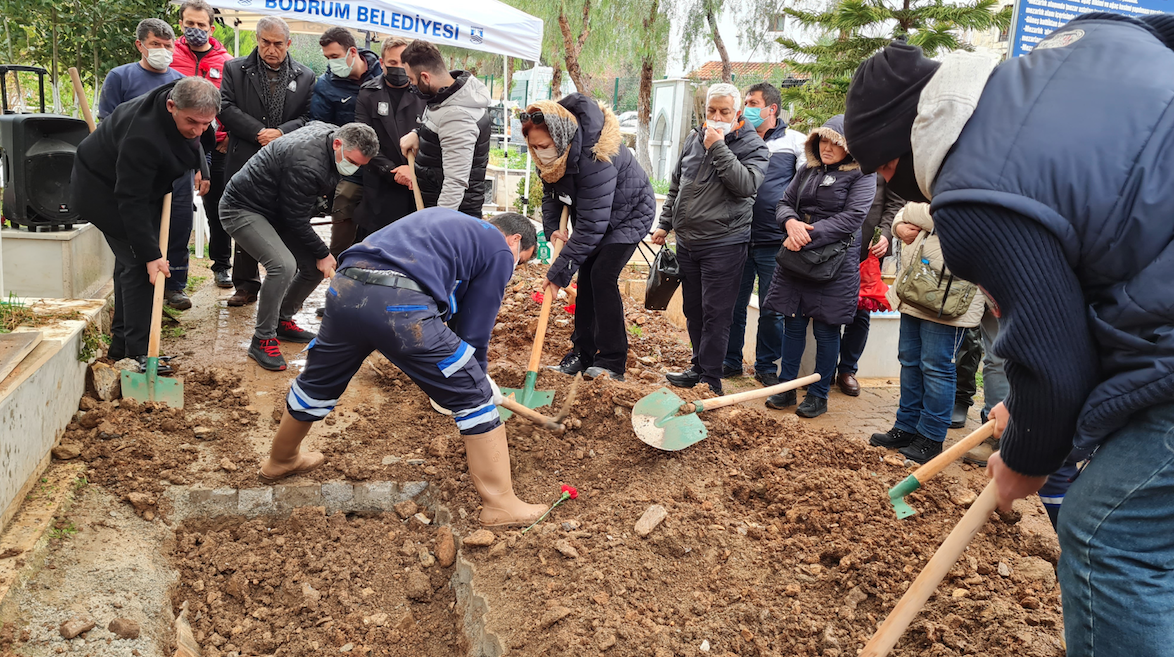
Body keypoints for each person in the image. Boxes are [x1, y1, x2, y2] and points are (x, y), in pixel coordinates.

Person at [843, 19, 1174, 652]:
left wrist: (1027, 458)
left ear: (905, 140)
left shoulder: (974, 194)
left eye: (884, 168)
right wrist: (1027, 414)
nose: (889, 185)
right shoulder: (1079, 42)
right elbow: (1082, 294)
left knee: (1109, 531)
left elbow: (1055, 360)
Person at [260, 209, 548, 528]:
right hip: (399, 301)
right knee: (474, 395)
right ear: (514, 239)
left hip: (346, 285)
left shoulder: (450, 225)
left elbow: (451, 311)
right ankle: (501, 504)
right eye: (520, 261)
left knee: (318, 382)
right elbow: (475, 329)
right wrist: (476, 379)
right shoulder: (497, 248)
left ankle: (280, 459)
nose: (513, 269)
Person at [73, 78, 218, 369]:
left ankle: (121, 347)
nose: (199, 130)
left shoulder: (187, 100)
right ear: (171, 106)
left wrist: (201, 167)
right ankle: (137, 355)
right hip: (105, 191)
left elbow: (195, 138)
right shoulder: (143, 137)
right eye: (193, 122)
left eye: (206, 123)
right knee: (141, 266)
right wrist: (152, 255)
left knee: (132, 263)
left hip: (144, 187)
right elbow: (130, 200)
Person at [219, 122, 378, 371]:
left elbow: (293, 214)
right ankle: (262, 339)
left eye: (360, 165)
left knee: (313, 267)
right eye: (352, 161)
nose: (354, 168)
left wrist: (320, 256)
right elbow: (296, 219)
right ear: (338, 143)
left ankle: (282, 320)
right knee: (282, 265)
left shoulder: (332, 136)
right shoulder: (307, 163)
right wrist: (324, 252)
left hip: (277, 208)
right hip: (242, 207)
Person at [522, 94, 656, 381]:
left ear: (560, 138)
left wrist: (558, 273)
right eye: (533, 147)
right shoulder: (551, 155)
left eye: (544, 146)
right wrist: (552, 228)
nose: (539, 152)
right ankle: (582, 354)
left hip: (629, 215)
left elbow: (593, 228)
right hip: (595, 216)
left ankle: (612, 360)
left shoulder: (596, 157)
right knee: (586, 277)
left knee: (601, 276)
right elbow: (551, 194)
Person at [652, 83, 769, 395]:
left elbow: (745, 186)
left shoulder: (754, 147)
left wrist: (718, 146)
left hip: (724, 243)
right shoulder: (693, 139)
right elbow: (677, 184)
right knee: (694, 310)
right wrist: (665, 224)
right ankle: (698, 366)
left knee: (717, 314)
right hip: (688, 243)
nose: (716, 117)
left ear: (738, 114)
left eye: (724, 112)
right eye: (711, 111)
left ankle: (711, 380)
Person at [760, 115, 875, 418]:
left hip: (834, 262)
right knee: (793, 323)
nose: (827, 147)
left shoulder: (863, 175)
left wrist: (805, 235)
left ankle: (818, 394)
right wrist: (790, 222)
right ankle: (785, 388)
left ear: (848, 147)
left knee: (826, 329)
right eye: (822, 140)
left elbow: (852, 218)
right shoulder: (807, 170)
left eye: (835, 142)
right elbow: (784, 201)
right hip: (797, 256)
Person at [867, 203, 985, 463]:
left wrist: (916, 214)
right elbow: (905, 208)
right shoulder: (933, 178)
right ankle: (906, 427)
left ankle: (931, 436)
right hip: (915, 287)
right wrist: (899, 225)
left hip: (949, 294)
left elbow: (956, 218)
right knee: (909, 361)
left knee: (936, 367)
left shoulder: (980, 186)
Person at [96, 18, 199, 312]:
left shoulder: (181, 82)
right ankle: (142, 286)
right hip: (138, 169)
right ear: (140, 45)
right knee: (141, 228)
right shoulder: (121, 77)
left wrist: (198, 167)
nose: (163, 51)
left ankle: (175, 285)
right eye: (156, 45)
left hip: (175, 169)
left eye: (168, 46)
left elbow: (194, 132)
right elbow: (110, 124)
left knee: (178, 225)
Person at [218, 16, 316, 307]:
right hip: (246, 154)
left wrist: (282, 133)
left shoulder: (306, 75)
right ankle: (246, 284)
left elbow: (309, 117)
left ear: (288, 43)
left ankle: (285, 281)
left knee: (285, 217)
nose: (271, 49)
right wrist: (258, 132)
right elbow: (224, 107)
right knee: (248, 217)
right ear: (257, 41)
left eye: (277, 44)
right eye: (265, 43)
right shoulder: (235, 68)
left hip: (286, 159)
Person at [721, 82, 806, 386]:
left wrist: (793, 226)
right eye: (745, 103)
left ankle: (766, 366)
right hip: (738, 236)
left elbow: (805, 190)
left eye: (753, 103)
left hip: (775, 241)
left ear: (771, 109)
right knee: (733, 303)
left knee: (773, 309)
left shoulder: (795, 142)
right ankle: (729, 361)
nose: (747, 109)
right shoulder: (735, 138)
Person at [170, 0, 233, 291]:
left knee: (218, 209)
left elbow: (234, 104)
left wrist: (229, 134)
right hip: (177, 147)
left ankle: (221, 266)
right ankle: (175, 275)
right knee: (178, 211)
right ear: (181, 23)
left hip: (216, 147)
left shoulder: (227, 61)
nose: (195, 30)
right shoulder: (171, 56)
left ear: (211, 26)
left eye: (201, 25)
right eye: (190, 24)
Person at [398, 40, 491, 217]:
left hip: (452, 217)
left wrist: (438, 225)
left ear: (425, 77)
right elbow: (440, 130)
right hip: (435, 206)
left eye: (412, 79)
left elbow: (455, 182)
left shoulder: (457, 115)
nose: (411, 85)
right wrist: (417, 133)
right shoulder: (444, 100)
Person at [311, 27, 382, 258]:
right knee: (341, 239)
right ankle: (339, 285)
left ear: (352, 51)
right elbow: (319, 128)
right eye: (327, 58)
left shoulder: (382, 76)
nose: (331, 63)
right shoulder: (326, 85)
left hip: (383, 171)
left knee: (376, 239)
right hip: (349, 174)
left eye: (335, 57)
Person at [834, 177, 904, 396]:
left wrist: (884, 234)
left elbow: (894, 204)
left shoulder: (882, 158)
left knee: (860, 311)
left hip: (868, 249)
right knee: (830, 307)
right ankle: (825, 368)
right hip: (833, 242)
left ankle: (847, 370)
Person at [354, 37, 427, 233]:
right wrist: (393, 170)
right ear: (381, 63)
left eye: (403, 62)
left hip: (416, 186)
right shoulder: (368, 93)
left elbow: (433, 139)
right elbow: (363, 140)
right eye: (392, 63)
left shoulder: (425, 94)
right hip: (380, 186)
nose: (399, 67)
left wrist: (412, 171)